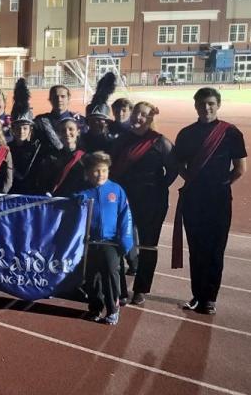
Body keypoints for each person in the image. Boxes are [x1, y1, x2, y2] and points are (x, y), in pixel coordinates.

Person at [172, 87, 247, 315]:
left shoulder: (231, 133)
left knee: (215, 250)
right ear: (195, 106)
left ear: (218, 105)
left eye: (211, 104)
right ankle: (197, 295)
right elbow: (178, 165)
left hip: (219, 201)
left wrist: (220, 186)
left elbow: (240, 169)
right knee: (196, 249)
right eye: (202, 104)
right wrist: (193, 181)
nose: (206, 108)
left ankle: (210, 299)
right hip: (194, 199)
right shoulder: (186, 134)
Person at [110, 101, 177, 306]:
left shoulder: (160, 142)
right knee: (119, 244)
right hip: (124, 201)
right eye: (136, 113)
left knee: (148, 246)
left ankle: (141, 289)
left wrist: (158, 187)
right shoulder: (121, 141)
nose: (138, 118)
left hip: (152, 202)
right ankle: (120, 289)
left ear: (150, 119)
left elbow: (173, 169)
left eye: (144, 115)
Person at [75, 151, 134, 325]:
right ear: (87, 173)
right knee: (92, 278)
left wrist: (126, 239)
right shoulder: (84, 193)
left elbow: (125, 216)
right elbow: (71, 211)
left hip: (110, 242)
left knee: (110, 274)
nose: (100, 174)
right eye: (96, 171)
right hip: (90, 243)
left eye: (104, 170)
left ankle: (113, 309)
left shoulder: (116, 190)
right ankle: (95, 307)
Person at [8, 78, 42, 194]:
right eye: (17, 128)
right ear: (12, 129)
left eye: (25, 128)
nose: (21, 131)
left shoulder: (36, 149)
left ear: (30, 129)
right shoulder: (7, 148)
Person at [41, 118, 88, 197]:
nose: (67, 133)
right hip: (56, 201)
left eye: (71, 129)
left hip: (76, 201)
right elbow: (45, 181)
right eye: (63, 130)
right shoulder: (52, 157)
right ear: (58, 134)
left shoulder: (85, 157)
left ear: (78, 132)